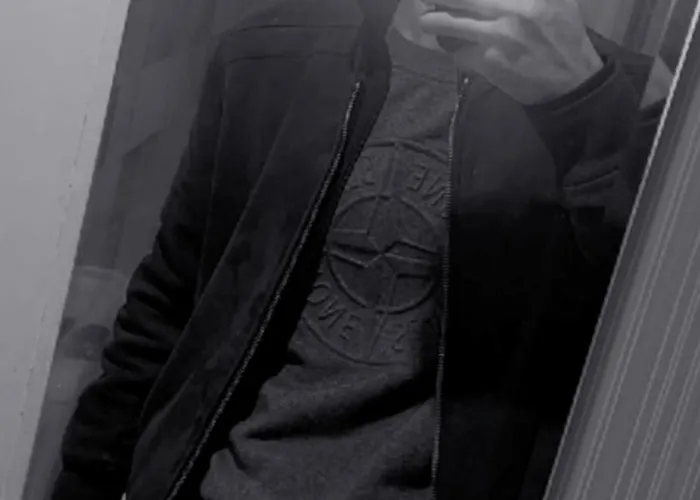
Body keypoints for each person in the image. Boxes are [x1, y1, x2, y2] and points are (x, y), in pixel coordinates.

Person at [52, 0, 664, 499]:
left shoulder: (633, 106)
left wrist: (583, 108)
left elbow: (650, 364)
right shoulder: (271, 53)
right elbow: (166, 303)